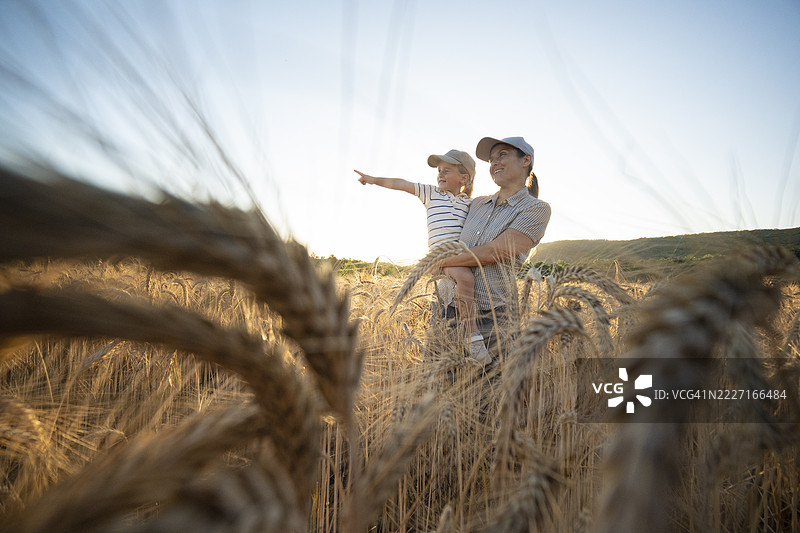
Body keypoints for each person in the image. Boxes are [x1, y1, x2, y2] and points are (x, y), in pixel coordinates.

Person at [355, 149, 491, 363]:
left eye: (447, 170)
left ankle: (465, 335)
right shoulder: (431, 193)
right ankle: (473, 337)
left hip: (459, 256)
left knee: (461, 284)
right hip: (438, 256)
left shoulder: (470, 204)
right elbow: (402, 183)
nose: (440, 174)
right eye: (439, 171)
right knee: (465, 279)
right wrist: (372, 180)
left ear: (464, 178)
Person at [435, 136, 551, 357]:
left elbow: (494, 252)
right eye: (491, 160)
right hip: (447, 304)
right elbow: (448, 233)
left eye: (502, 155)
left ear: (526, 160)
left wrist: (437, 262)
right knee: (438, 383)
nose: (494, 163)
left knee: (487, 386)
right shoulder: (476, 203)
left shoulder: (537, 209)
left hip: (492, 315)